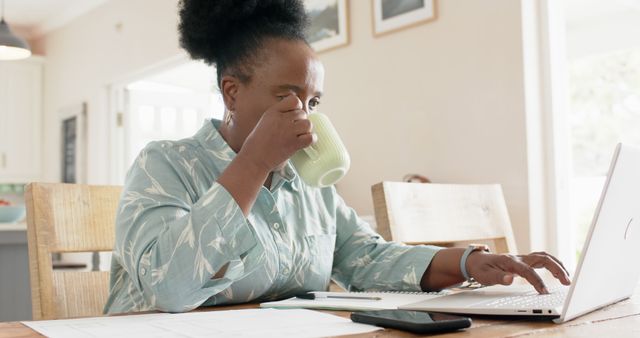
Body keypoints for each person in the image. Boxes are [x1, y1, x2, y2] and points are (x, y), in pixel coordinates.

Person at [103, 0, 571, 314]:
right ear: (231, 92)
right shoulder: (164, 165)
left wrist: (468, 263)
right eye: (288, 96)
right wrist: (253, 164)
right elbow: (166, 288)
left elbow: (363, 257)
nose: (303, 116)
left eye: (313, 102)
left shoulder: (308, 183)